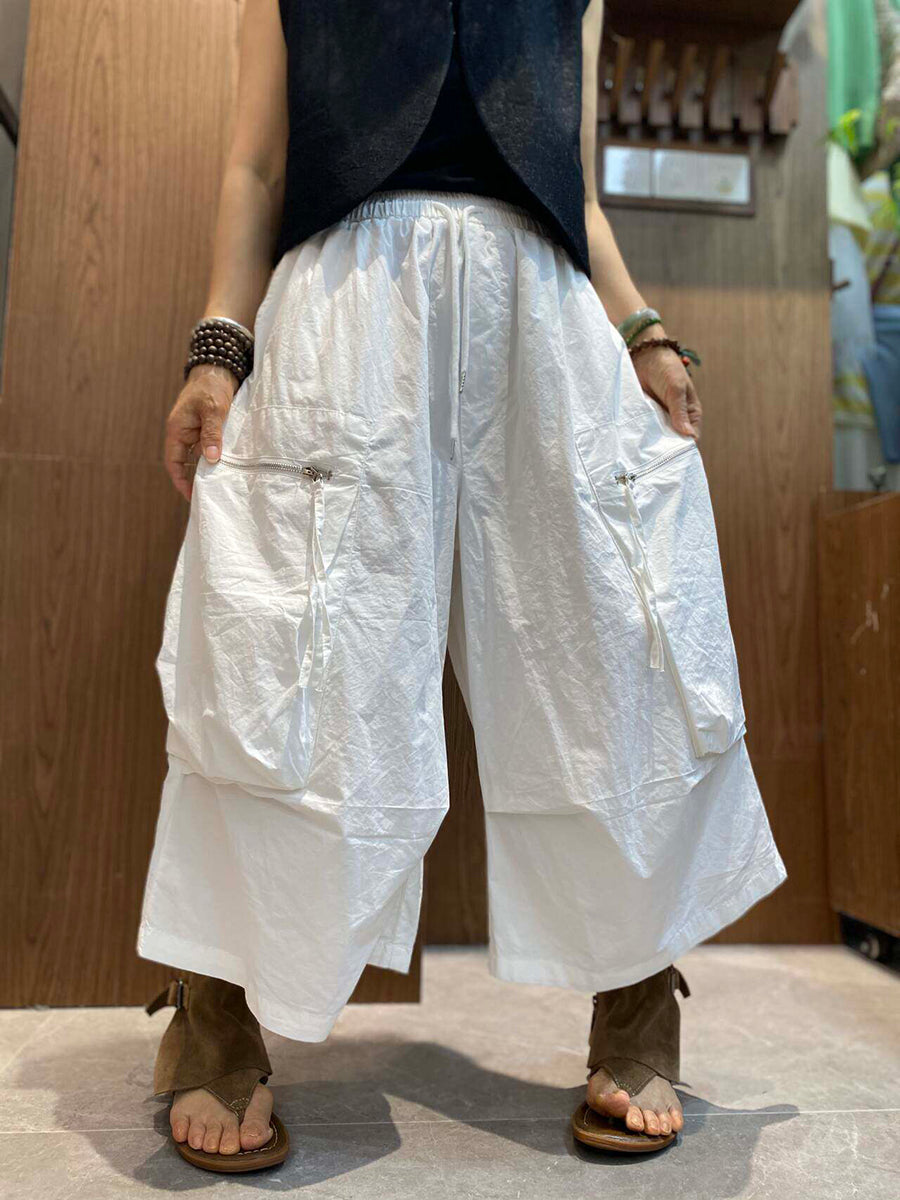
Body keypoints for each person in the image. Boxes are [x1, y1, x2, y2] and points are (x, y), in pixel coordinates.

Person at [137, 0, 788, 1171]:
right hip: (343, 298)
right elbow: (256, 164)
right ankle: (214, 1003)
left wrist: (643, 330)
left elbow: (576, 189)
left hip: (540, 305)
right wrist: (218, 346)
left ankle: (638, 995)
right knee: (291, 646)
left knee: (611, 638)